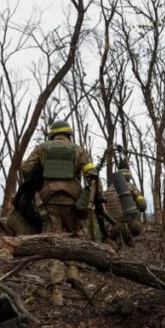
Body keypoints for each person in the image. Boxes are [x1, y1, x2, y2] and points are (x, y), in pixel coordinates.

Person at [20, 120, 98, 306]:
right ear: (69, 135)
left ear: (52, 135)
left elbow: (25, 168)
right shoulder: (78, 150)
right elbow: (91, 174)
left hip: (49, 200)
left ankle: (56, 291)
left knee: (54, 241)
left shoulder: (42, 148)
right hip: (73, 200)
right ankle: (73, 271)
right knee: (76, 236)